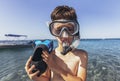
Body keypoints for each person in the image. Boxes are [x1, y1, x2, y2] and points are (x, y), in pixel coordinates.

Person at [25, 5, 88, 81]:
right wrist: (34, 77)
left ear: (76, 31)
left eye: (70, 29)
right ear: (53, 32)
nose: (65, 35)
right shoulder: (49, 55)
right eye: (59, 30)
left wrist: (55, 67)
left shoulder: (82, 55)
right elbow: (47, 79)